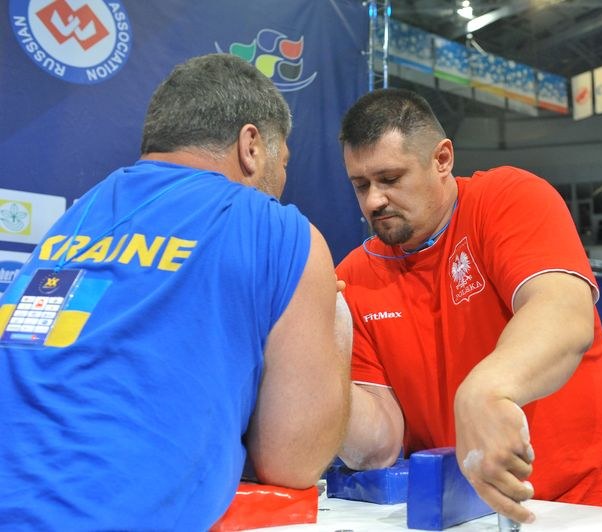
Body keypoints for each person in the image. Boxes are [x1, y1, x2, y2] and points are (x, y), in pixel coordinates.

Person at [0, 54, 351, 529]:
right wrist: (334, 320)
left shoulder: (78, 214)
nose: (283, 183)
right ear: (252, 147)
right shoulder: (276, 229)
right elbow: (293, 461)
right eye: (282, 161)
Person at [335, 88, 602, 524]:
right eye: (361, 185)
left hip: (592, 502)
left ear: (442, 159)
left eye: (390, 179)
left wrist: (486, 388)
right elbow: (379, 446)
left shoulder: (507, 198)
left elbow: (564, 312)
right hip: (468, 516)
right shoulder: (353, 274)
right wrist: (319, 358)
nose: (374, 200)